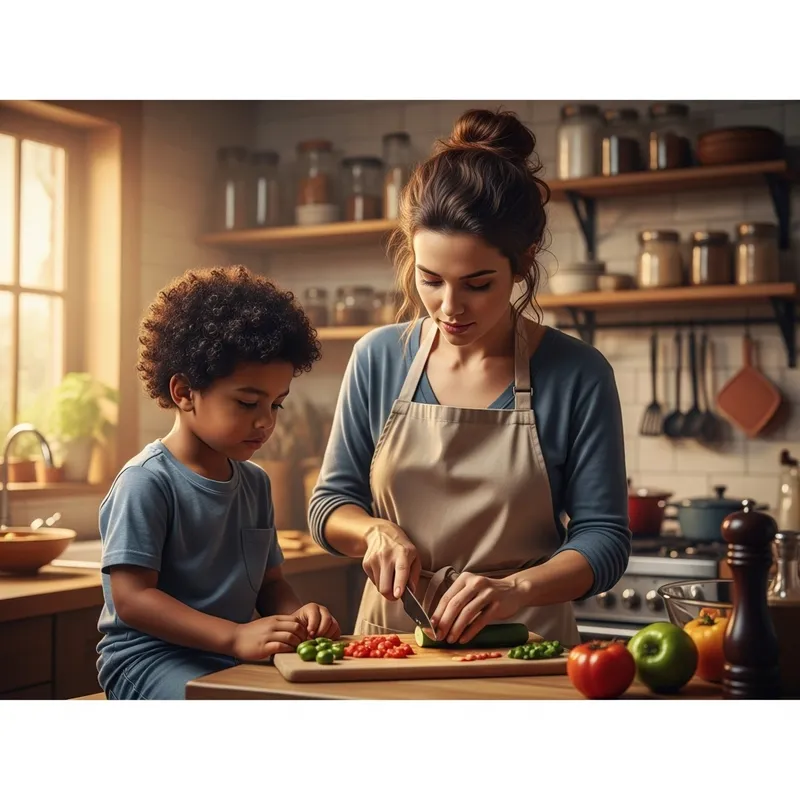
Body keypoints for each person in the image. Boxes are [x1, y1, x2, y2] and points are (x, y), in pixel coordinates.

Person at [308, 109, 631, 647]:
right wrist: (374, 530)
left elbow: (605, 539)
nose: (449, 307)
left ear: (523, 263)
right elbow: (328, 506)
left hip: (524, 642)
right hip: (390, 646)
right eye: (430, 279)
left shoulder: (578, 373)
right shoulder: (377, 358)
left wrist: (517, 588)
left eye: (478, 283)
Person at [96, 265, 340, 700]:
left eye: (277, 405)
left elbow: (270, 585)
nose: (266, 422)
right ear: (184, 392)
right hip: (150, 660)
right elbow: (132, 600)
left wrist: (297, 618)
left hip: (229, 655)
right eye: (248, 402)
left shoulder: (256, 484)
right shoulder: (146, 483)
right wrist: (233, 637)